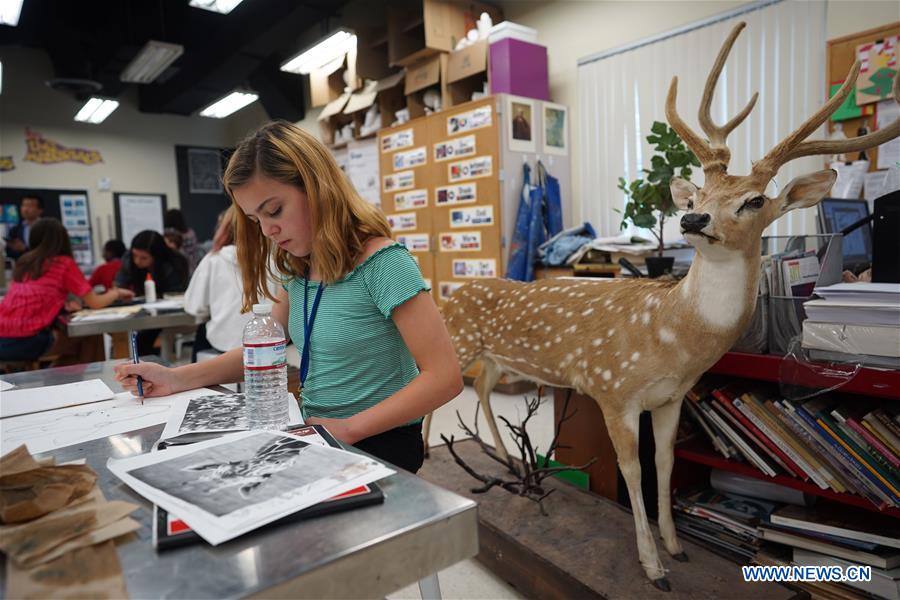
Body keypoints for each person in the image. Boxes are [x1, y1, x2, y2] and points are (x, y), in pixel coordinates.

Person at [116, 120, 462, 473]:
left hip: (379, 442)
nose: (268, 230)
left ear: (317, 189)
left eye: (275, 210)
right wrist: (175, 377)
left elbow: (445, 376)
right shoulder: (297, 269)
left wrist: (348, 429)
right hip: (323, 434)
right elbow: (265, 348)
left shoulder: (384, 264)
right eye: (255, 220)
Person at [0, 218, 134, 364]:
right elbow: (95, 302)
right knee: (90, 333)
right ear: (63, 239)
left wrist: (62, 304)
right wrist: (117, 293)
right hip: (30, 340)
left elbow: (32, 296)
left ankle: (65, 378)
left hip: (3, 338)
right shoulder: (63, 263)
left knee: (78, 342)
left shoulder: (24, 262)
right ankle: (88, 380)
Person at [184, 207, 280, 361]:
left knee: (202, 334)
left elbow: (194, 307)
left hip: (222, 346)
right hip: (267, 348)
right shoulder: (275, 261)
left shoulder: (212, 260)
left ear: (224, 229)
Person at [116, 230, 190, 355]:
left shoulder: (174, 262)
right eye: (135, 255)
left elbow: (175, 295)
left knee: (143, 339)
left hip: (170, 310)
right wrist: (121, 292)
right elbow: (118, 285)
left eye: (144, 258)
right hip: (143, 307)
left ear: (157, 256)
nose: (137, 261)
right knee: (140, 340)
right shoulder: (129, 259)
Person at [5, 194, 44, 259]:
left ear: (40, 210)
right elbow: (9, 252)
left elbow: (48, 249)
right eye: (23, 205)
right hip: (22, 265)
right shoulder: (15, 229)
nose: (25, 209)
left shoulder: (47, 228)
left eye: (30, 206)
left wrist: (24, 249)